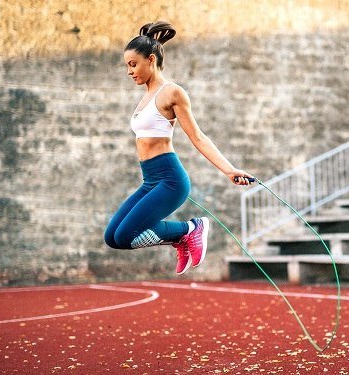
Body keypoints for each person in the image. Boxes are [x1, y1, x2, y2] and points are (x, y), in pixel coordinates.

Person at [104, 21, 253, 275]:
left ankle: (190, 230)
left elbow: (198, 137)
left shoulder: (172, 92)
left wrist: (229, 170)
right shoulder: (145, 96)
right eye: (127, 66)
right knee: (113, 238)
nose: (129, 72)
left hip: (170, 181)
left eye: (133, 64)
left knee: (128, 235)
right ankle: (181, 238)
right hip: (150, 180)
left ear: (151, 60)